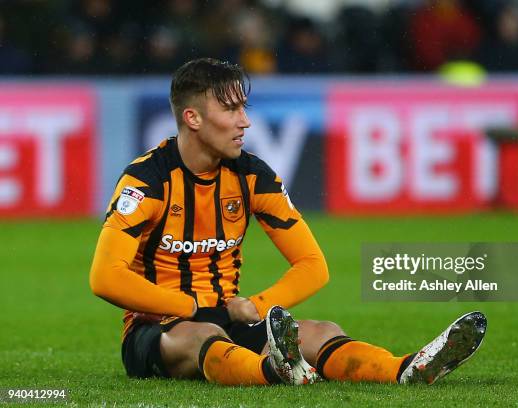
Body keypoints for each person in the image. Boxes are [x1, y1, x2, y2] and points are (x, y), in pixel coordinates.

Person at [89, 57, 487, 386]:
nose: (245, 121)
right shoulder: (147, 180)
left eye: (244, 107)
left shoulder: (252, 176)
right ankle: (275, 370)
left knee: (320, 331)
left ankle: (405, 369)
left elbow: (314, 267)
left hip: (229, 317)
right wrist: (190, 305)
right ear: (192, 118)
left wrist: (257, 306)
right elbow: (105, 277)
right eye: (231, 109)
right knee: (199, 335)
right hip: (156, 330)